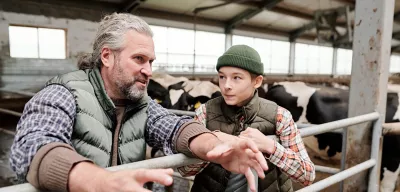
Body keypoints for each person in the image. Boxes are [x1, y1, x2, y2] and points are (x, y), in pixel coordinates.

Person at [9, 14, 269, 192]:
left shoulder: (140, 102)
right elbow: (32, 146)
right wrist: (100, 182)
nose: (148, 70)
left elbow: (173, 126)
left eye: (151, 62)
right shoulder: (62, 93)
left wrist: (215, 144)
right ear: (107, 56)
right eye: (139, 59)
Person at [178, 45, 316, 192]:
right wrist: (213, 145)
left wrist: (270, 147)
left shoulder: (280, 116)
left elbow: (307, 174)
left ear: (257, 81)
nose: (226, 86)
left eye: (236, 77)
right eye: (222, 77)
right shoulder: (205, 112)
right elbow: (184, 169)